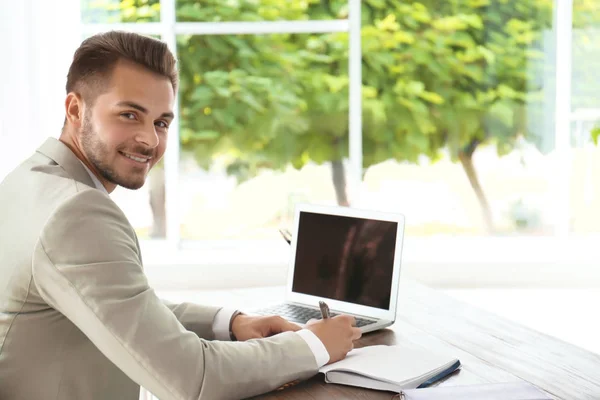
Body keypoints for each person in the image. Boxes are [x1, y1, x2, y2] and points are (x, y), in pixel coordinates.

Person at [0, 31, 361, 400]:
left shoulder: (26, 183)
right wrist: (313, 345)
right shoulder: (77, 213)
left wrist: (232, 323)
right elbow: (193, 379)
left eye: (161, 122)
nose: (150, 140)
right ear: (76, 110)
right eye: (129, 114)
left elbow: (116, 305)